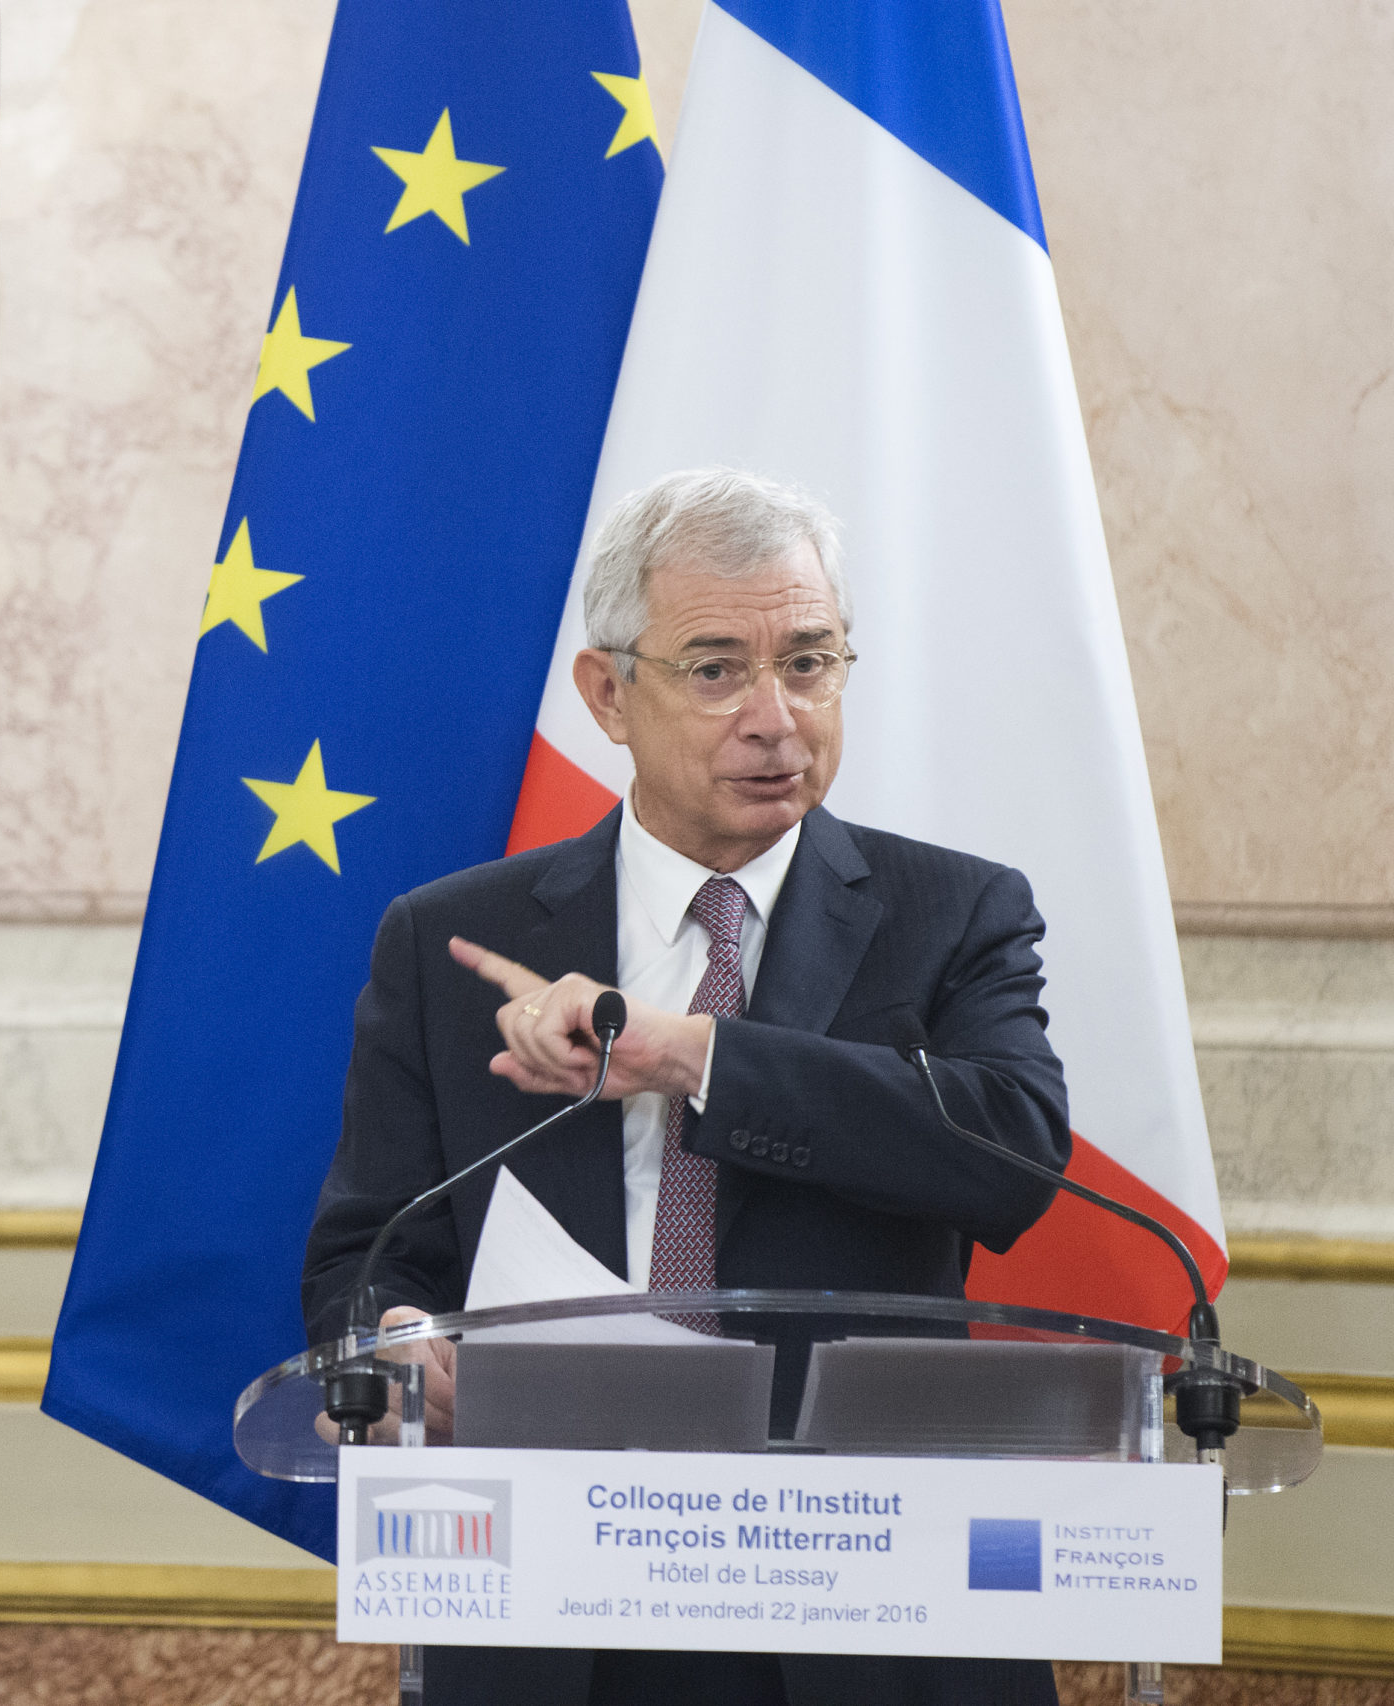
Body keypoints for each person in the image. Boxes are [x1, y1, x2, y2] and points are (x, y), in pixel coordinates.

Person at [303, 469, 1069, 1706]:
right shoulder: (449, 938)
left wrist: (688, 1055)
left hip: (865, 1602)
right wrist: (393, 1342)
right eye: (716, 669)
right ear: (608, 693)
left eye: (810, 662)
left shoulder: (952, 914)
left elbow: (1017, 1151)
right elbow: (364, 1255)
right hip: (554, 1603)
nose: (776, 716)